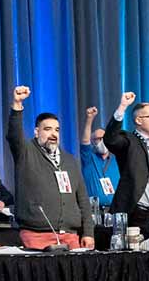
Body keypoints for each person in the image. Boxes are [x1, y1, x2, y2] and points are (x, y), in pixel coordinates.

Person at [6, 86, 93, 250]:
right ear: (36, 132)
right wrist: (17, 105)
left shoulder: (70, 160)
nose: (53, 134)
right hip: (36, 236)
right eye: (47, 129)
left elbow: (82, 199)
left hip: (70, 237)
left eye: (57, 130)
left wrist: (88, 232)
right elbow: (14, 135)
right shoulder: (26, 152)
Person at [105, 92, 149, 236]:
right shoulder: (129, 141)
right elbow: (111, 139)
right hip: (141, 217)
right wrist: (122, 107)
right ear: (139, 120)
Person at [80, 106, 120, 207]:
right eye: (98, 139)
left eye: (103, 138)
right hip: (95, 210)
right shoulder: (88, 158)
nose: (102, 141)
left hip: (115, 209)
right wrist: (89, 119)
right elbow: (85, 141)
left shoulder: (117, 159)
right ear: (92, 142)